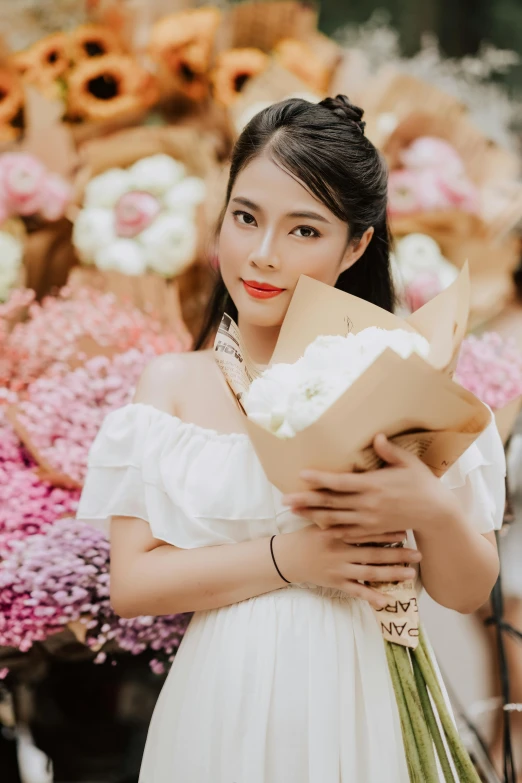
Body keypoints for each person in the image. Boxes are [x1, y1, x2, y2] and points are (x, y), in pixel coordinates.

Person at [77, 95, 506, 782]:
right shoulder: (172, 385)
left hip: (368, 688)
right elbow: (133, 582)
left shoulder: (408, 377)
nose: (263, 255)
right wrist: (293, 556)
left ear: (357, 243)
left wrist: (428, 506)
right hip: (224, 700)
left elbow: (464, 590)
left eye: (304, 231)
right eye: (246, 217)